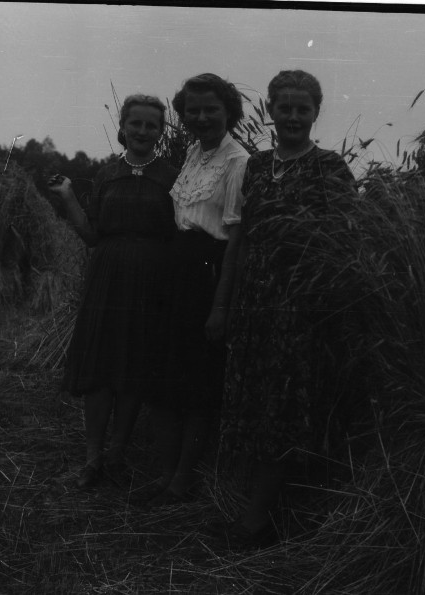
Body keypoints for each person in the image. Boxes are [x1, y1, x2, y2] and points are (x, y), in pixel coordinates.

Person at [214, 70, 360, 547]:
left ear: (316, 114)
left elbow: (344, 240)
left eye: (303, 109)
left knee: (281, 411)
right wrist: (224, 304)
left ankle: (256, 520)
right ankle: (256, 508)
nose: (293, 116)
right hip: (255, 305)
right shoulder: (254, 166)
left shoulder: (330, 167)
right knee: (255, 406)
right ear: (271, 110)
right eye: (285, 107)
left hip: (300, 310)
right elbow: (239, 239)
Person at [47, 94, 178, 489]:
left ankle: (118, 453)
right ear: (123, 127)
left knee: (134, 369)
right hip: (107, 281)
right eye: (135, 123)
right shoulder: (105, 175)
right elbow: (91, 235)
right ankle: (93, 459)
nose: (142, 131)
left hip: (151, 282)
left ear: (161, 131)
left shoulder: (173, 177)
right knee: (101, 370)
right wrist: (68, 197)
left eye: (151, 125)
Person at [134, 73, 249, 508]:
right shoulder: (191, 153)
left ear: (229, 113)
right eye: (193, 111)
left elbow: (236, 238)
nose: (201, 118)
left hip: (208, 275)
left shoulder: (238, 161)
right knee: (162, 379)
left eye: (210, 110)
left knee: (197, 385)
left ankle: (183, 480)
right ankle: (165, 475)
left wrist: (221, 306)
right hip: (175, 274)